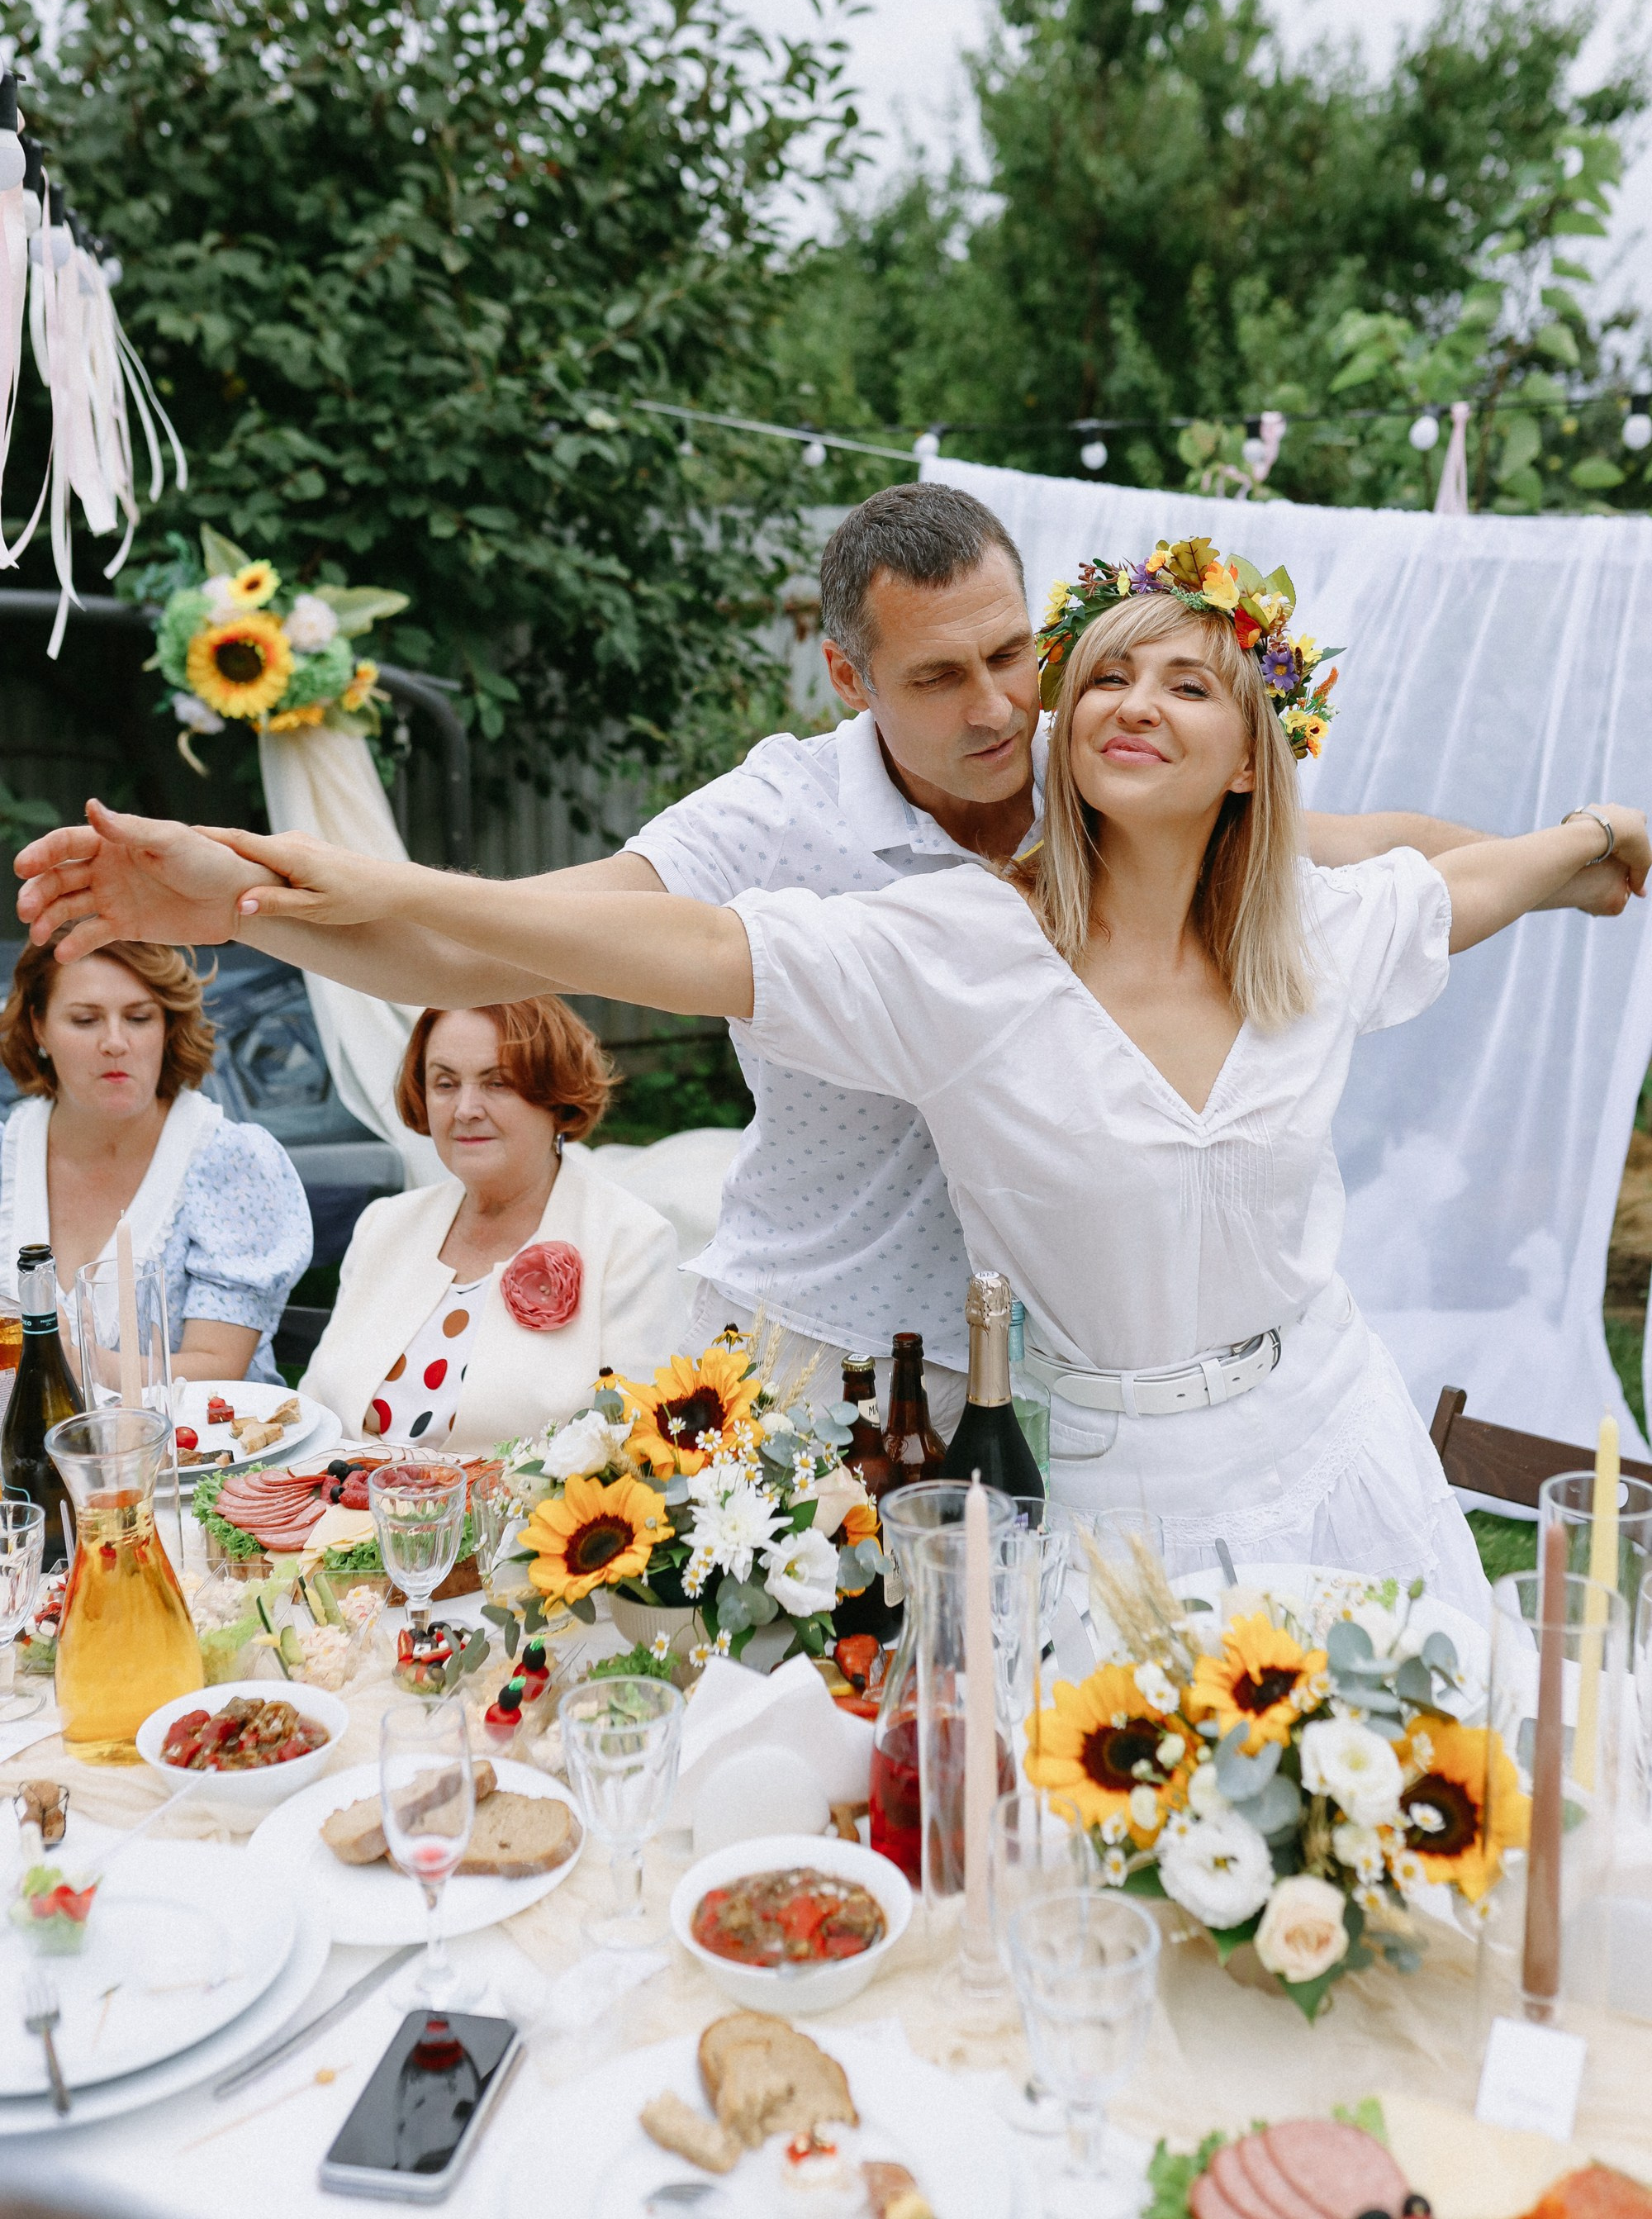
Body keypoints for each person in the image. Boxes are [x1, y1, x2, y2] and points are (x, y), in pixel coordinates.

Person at [62, 544, 1647, 1613]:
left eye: (1186, 684)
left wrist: (1596, 848)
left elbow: (1476, 874)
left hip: (1333, 1435)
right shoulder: (940, 949)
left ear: (1253, 759)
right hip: (1093, 1483)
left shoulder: (1324, 922)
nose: (1121, 702)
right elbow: (527, 937)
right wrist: (258, 893)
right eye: (1105, 677)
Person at [300, 993, 684, 1447]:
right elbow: (315, 1412)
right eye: (445, 1084)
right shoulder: (384, 1224)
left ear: (557, 1096)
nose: (465, 1109)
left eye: (497, 1083)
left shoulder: (629, 1242)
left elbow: (632, 1447)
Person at [0, 939, 311, 1383]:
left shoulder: (226, 1161)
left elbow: (220, 1366)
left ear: (167, 1027)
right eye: (85, 1020)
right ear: (39, 1027)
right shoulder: (6, 1157)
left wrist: (73, 1362)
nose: (114, 1042)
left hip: (197, 1446)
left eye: (139, 1018)